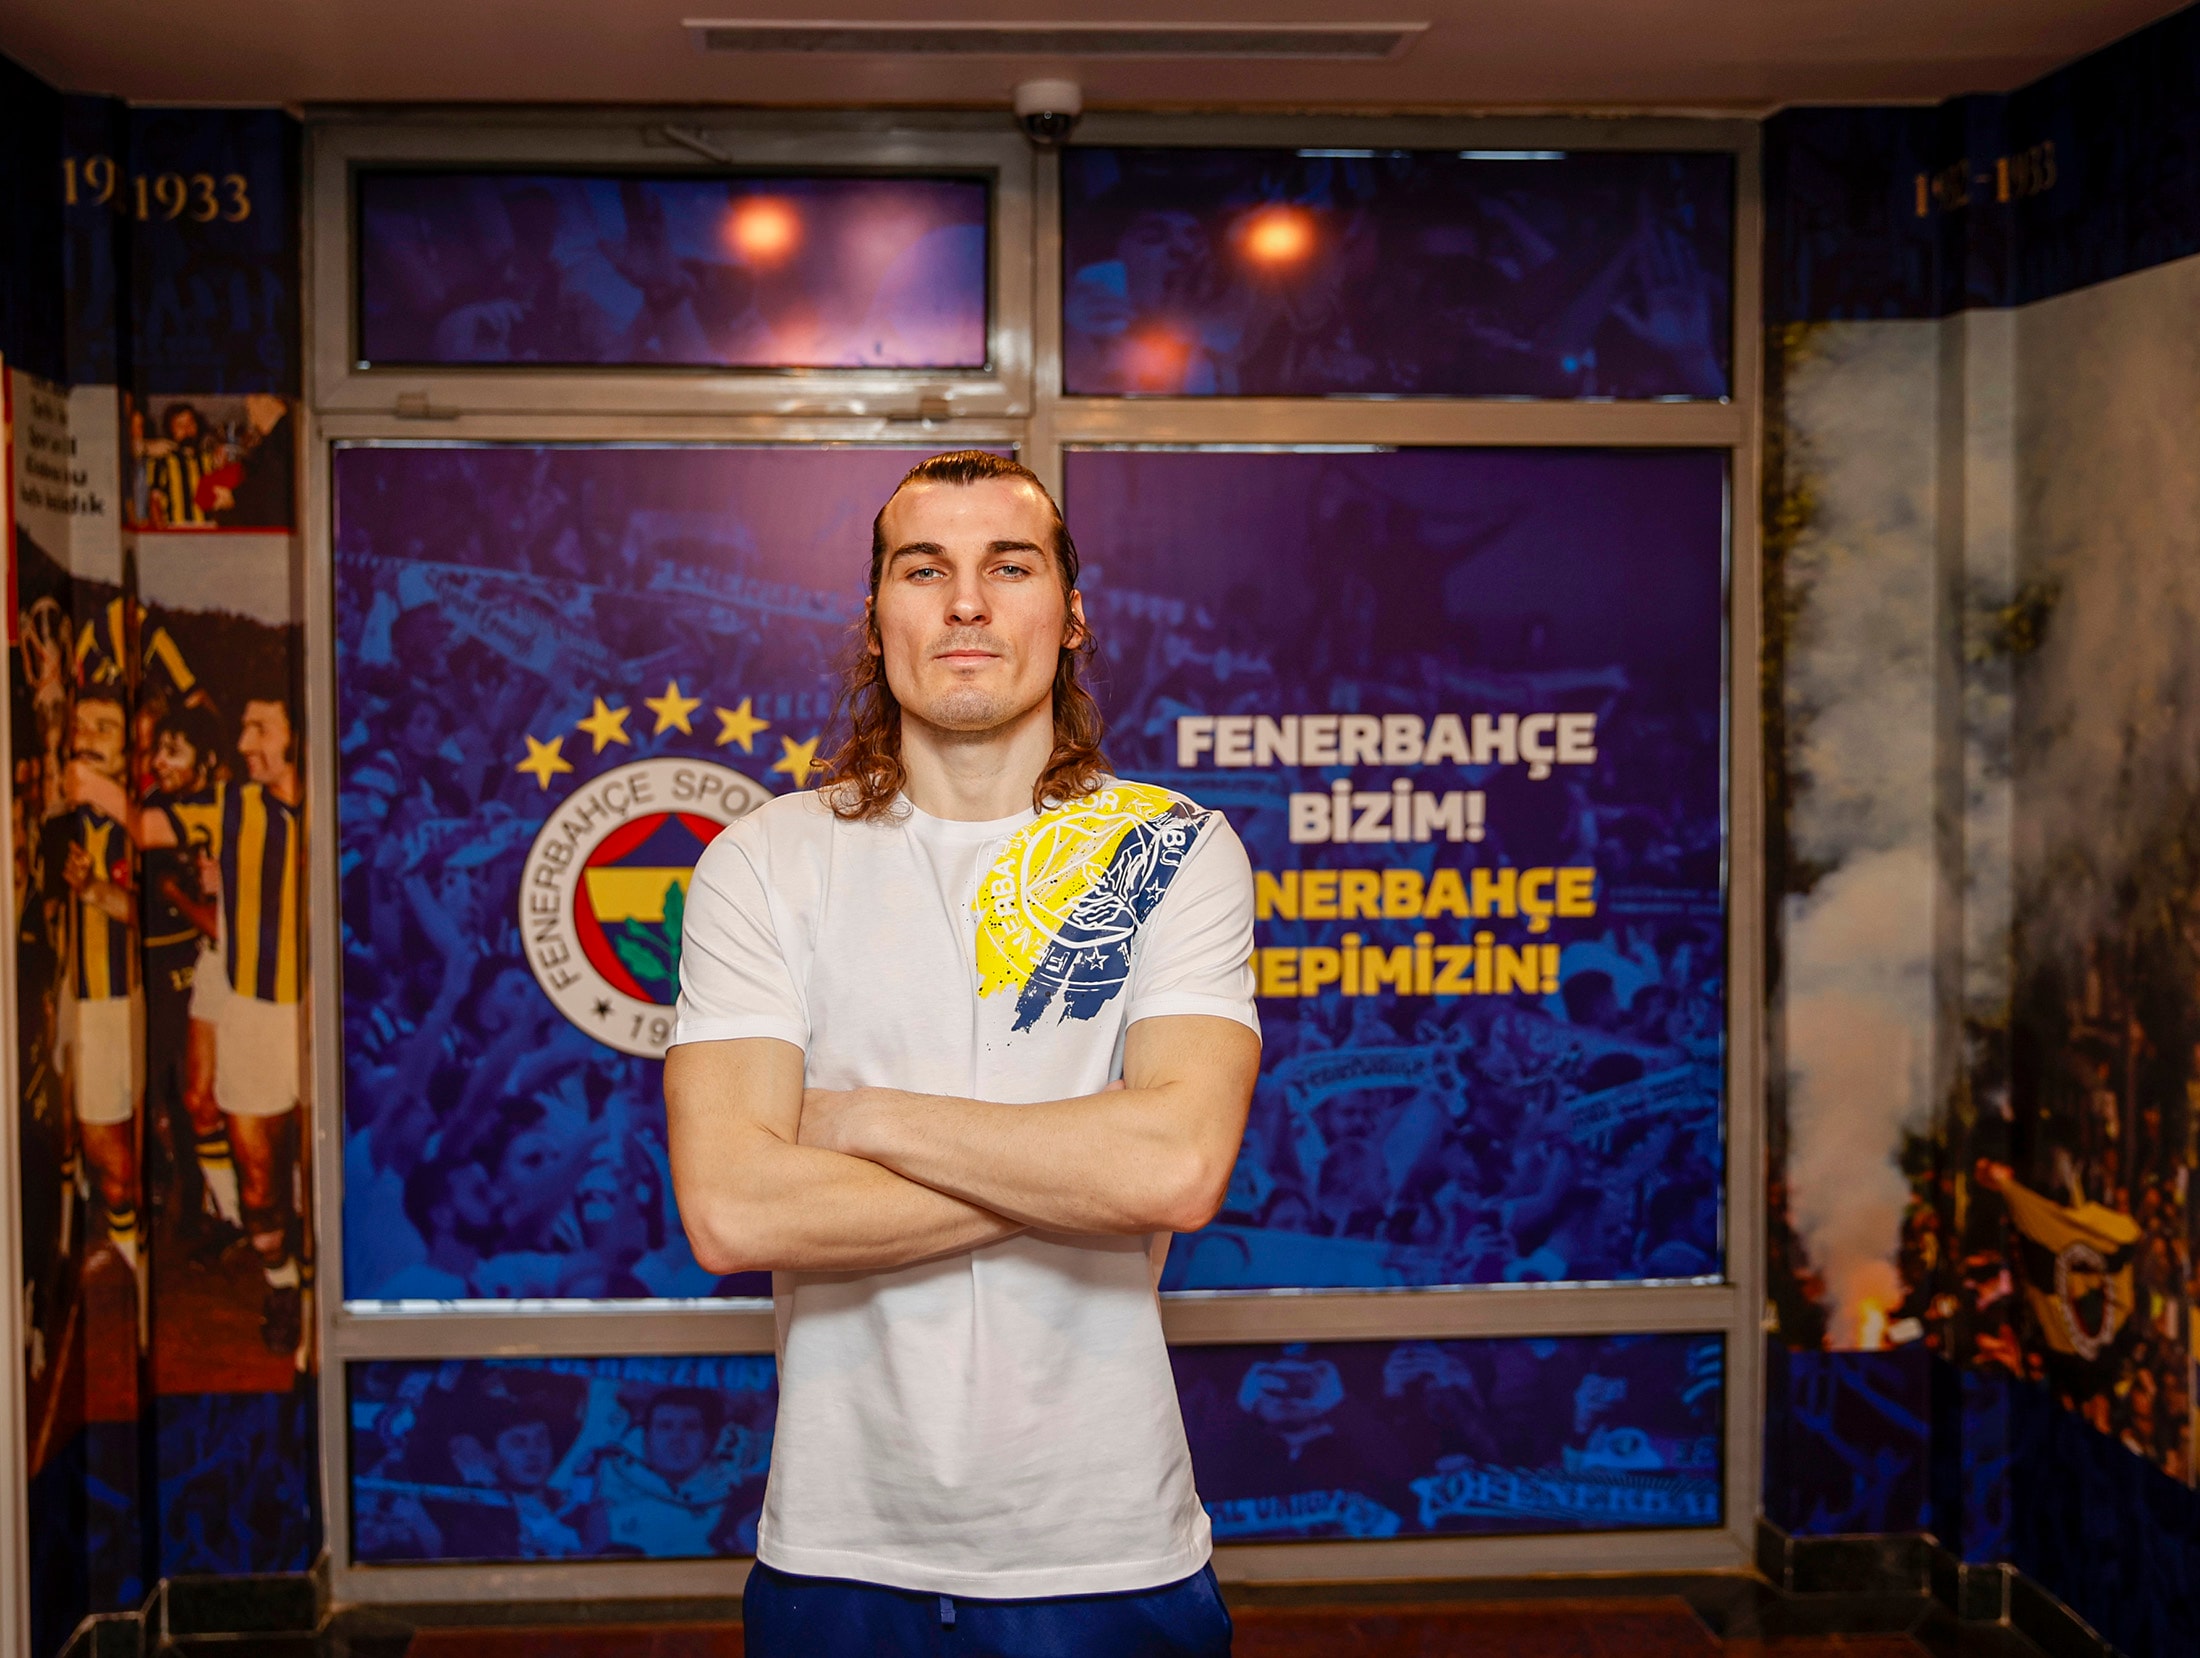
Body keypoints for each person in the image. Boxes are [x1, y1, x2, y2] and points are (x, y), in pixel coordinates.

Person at [665, 450, 1258, 1657]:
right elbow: (732, 1207)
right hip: (840, 1549)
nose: (968, 602)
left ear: (1071, 614)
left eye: (1010, 566)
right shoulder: (765, 860)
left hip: (1108, 1547)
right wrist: (1081, 1166)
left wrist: (860, 1116)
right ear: (875, 615)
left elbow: (1177, 1169)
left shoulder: (1173, 848)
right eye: (925, 568)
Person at [73, 681, 308, 1355]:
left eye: (261, 729)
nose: (245, 744)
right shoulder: (233, 804)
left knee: (327, 1166)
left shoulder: (350, 801)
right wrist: (83, 781)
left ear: (300, 736)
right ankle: (282, 1280)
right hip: (257, 1011)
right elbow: (146, 827)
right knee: (259, 1179)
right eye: (243, 729)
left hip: (337, 1015)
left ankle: (323, 1288)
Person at [49, 686, 142, 1272]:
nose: (85, 738)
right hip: (69, 998)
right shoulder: (62, 818)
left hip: (116, 1003)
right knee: (76, 1132)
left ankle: (133, 1260)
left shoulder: (141, 822)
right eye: (80, 726)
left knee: (109, 1146)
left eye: (103, 727)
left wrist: (92, 891)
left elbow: (150, 914)